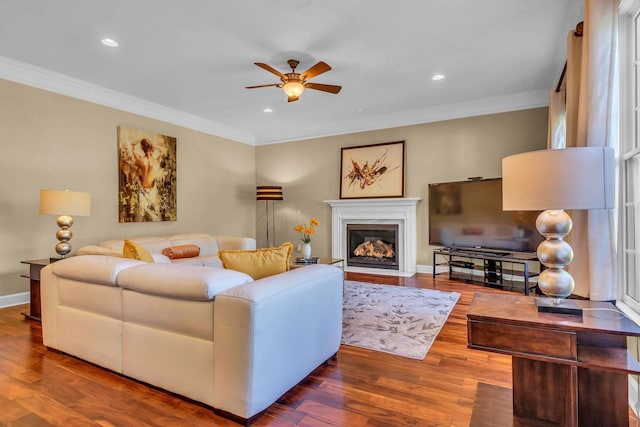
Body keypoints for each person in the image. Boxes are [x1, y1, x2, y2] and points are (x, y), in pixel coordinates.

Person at [131, 138, 166, 221]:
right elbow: (164, 150)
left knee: (153, 217)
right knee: (141, 216)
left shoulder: (142, 160)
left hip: (151, 190)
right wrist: (153, 146)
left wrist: (139, 142)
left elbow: (132, 147)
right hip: (144, 191)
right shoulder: (154, 161)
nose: (147, 150)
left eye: (147, 148)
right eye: (146, 148)